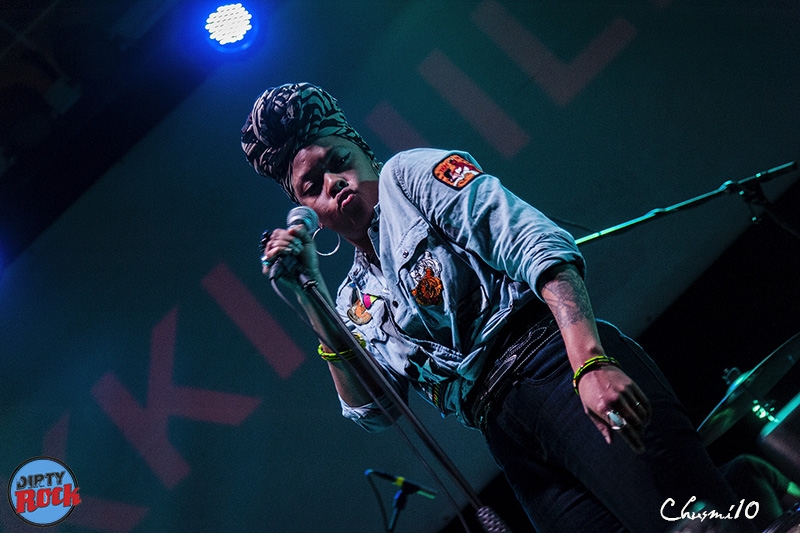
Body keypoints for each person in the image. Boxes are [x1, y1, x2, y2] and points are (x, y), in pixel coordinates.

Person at [241, 82, 754, 532]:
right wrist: (311, 295)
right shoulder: (352, 299)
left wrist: (590, 362)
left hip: (554, 365)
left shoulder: (408, 176)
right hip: (505, 432)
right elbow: (376, 411)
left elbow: (536, 245)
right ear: (308, 211)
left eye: (338, 162)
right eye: (312, 187)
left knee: (694, 526)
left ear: (362, 150)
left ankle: (758, 490)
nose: (333, 184)